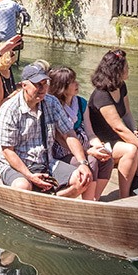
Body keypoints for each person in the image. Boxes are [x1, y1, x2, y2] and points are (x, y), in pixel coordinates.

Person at [0, 66, 93, 196]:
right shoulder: (9, 110)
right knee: (23, 186)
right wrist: (30, 176)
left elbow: (69, 133)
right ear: (24, 85)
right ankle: (43, 202)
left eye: (44, 84)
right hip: (16, 166)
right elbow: (7, 151)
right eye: (37, 84)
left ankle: (50, 204)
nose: (42, 89)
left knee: (81, 179)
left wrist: (83, 163)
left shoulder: (52, 102)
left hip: (45, 161)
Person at [87, 49, 138, 199]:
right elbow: (118, 127)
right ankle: (124, 197)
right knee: (131, 150)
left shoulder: (121, 86)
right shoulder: (101, 95)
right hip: (104, 142)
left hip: (119, 138)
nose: (129, 70)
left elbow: (127, 113)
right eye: (127, 67)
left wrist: (133, 130)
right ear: (117, 70)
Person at [47, 66, 111, 200]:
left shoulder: (81, 103)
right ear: (62, 88)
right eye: (73, 82)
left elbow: (90, 133)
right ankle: (88, 203)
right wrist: (89, 152)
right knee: (92, 161)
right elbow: (63, 140)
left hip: (84, 146)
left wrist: (99, 147)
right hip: (63, 151)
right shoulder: (55, 106)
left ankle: (95, 198)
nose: (77, 84)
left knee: (106, 159)